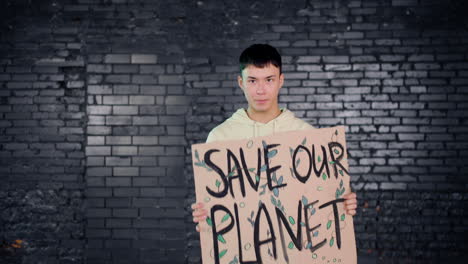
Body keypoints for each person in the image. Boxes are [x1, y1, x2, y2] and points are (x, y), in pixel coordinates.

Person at [191, 43, 357, 232]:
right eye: (252, 81)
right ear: (241, 83)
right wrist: (205, 218)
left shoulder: (307, 135)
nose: (261, 90)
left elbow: (329, 196)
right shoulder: (219, 138)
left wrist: (345, 201)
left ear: (281, 80)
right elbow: (213, 206)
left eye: (269, 80)